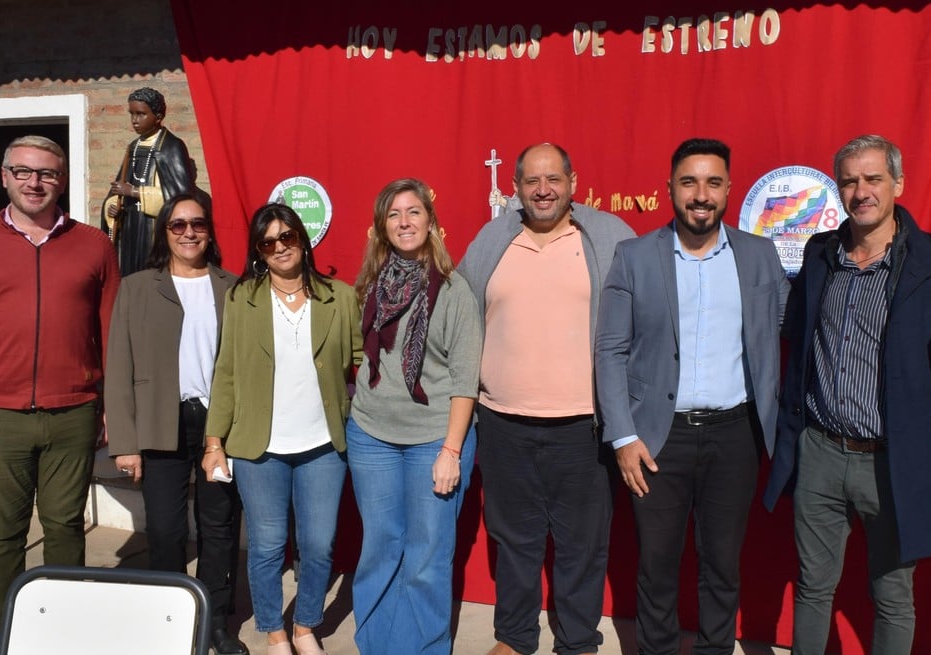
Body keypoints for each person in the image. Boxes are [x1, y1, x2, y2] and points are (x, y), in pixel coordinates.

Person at [762, 134, 931, 655]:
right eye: (850, 181)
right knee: (812, 587)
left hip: (893, 459)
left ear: (898, 184)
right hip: (821, 451)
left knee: (893, 596)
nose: (861, 191)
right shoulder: (820, 254)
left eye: (873, 178)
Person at [0, 135, 120, 654]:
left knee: (65, 526)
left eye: (47, 173)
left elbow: (111, 334)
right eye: (23, 172)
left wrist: (111, 408)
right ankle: (5, 627)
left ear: (63, 180)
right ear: (5, 177)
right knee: (2, 532)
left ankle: (63, 626)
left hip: (73, 413)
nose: (35, 183)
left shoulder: (93, 245)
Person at [595, 138, 790, 655]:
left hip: (736, 436)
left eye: (712, 182)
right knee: (657, 566)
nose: (701, 194)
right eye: (689, 182)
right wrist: (623, 437)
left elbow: (784, 329)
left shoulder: (760, 255)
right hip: (657, 438)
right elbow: (609, 351)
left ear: (728, 189)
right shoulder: (634, 257)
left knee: (722, 564)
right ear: (670, 189)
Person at [456, 142, 635, 655]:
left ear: (573, 183)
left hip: (583, 426)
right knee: (514, 540)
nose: (543, 190)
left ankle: (577, 642)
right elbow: (461, 312)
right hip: (503, 423)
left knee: (582, 544)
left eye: (553, 179)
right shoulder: (493, 238)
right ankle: (515, 638)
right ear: (516, 188)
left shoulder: (610, 237)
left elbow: (641, 319)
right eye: (531, 181)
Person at [202, 203, 362, 655]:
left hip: (323, 445)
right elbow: (227, 371)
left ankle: (306, 626)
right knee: (268, 545)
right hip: (260, 448)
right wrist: (214, 442)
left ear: (302, 240)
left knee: (318, 544)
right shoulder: (242, 298)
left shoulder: (339, 296)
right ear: (259, 251)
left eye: (287, 236)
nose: (279, 247)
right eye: (268, 242)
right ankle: (274, 631)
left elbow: (360, 361)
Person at [104, 190, 248, 655]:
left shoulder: (232, 288)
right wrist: (125, 442)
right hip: (160, 421)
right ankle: (170, 615)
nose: (189, 233)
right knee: (166, 530)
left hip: (218, 426)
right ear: (164, 232)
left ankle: (215, 621)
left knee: (218, 526)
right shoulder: (137, 287)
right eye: (178, 224)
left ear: (209, 231)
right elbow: (119, 366)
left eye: (198, 224)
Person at [346, 178, 482, 654]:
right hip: (371, 437)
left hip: (434, 439)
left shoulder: (455, 292)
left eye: (413, 212)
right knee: (379, 549)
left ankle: (424, 649)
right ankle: (376, 647)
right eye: (394, 214)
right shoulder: (370, 286)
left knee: (427, 557)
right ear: (382, 226)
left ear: (431, 221)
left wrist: (451, 452)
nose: (404, 222)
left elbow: (465, 381)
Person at [102, 87, 195, 276]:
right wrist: (113, 208)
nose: (134, 120)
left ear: (158, 116)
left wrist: (134, 192)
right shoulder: (133, 147)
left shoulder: (171, 146)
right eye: (132, 114)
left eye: (141, 114)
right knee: (132, 278)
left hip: (156, 229)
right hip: (131, 226)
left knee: (153, 277)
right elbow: (118, 192)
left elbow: (179, 197)